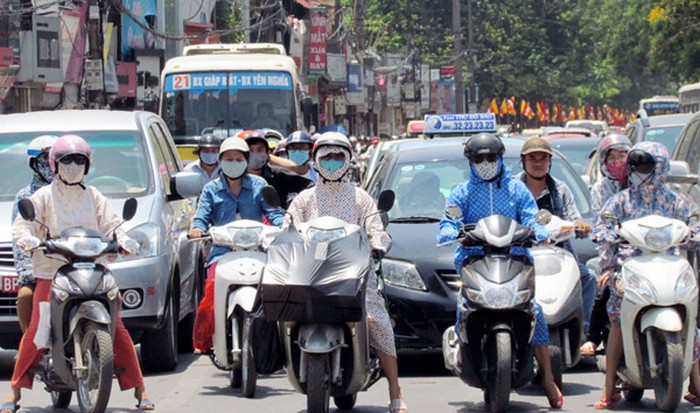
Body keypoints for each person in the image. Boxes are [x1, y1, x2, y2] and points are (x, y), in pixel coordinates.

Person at [6, 134, 154, 413]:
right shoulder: (42, 196)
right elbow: (22, 226)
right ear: (54, 164)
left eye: (79, 160)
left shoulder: (94, 195)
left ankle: (140, 388)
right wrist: (28, 240)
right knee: (38, 329)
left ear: (87, 165)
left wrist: (124, 240)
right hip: (51, 273)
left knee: (118, 327)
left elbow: (113, 225)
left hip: (92, 268)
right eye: (66, 160)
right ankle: (14, 392)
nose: (73, 166)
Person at [437, 133, 563, 409]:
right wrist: (456, 232)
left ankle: (548, 378)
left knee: (535, 311)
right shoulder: (462, 192)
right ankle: (462, 351)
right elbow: (447, 222)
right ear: (470, 161)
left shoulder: (517, 190)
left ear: (500, 159)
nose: (485, 163)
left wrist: (538, 231)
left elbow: (532, 217)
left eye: (490, 158)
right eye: (479, 158)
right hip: (474, 259)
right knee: (464, 305)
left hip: (515, 258)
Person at [284, 132, 408, 413]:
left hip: (356, 275)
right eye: (326, 156)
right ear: (316, 161)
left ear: (349, 160)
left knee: (377, 320)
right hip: (310, 274)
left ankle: (395, 392)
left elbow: (376, 229)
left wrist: (378, 244)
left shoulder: (361, 199)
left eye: (338, 156)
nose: (331, 162)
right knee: (284, 316)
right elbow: (287, 227)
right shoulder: (304, 200)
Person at [593, 141, 700, 409]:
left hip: (669, 267)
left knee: (691, 319)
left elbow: (695, 223)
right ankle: (608, 390)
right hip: (630, 268)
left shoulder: (677, 201)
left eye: (645, 165)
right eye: (635, 165)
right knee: (617, 317)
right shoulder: (621, 200)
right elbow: (603, 225)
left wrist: (693, 233)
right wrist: (608, 234)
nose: (639, 171)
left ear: (661, 167)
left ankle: (697, 384)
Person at [188, 137, 284, 353]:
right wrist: (196, 228)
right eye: (228, 159)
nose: (233, 163)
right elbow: (201, 217)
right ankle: (203, 341)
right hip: (223, 253)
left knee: (275, 288)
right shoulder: (211, 189)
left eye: (238, 159)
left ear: (246, 161)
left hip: (256, 250)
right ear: (221, 162)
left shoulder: (260, 185)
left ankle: (277, 344)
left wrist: (284, 225)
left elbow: (274, 213)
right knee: (212, 289)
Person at [516, 137, 596, 334]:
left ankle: (582, 332)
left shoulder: (561, 189)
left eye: (543, 158)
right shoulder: (513, 189)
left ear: (549, 162)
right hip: (522, 257)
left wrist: (579, 226)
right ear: (523, 161)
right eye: (532, 158)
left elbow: (574, 219)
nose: (537, 163)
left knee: (589, 277)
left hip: (558, 256)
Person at [580, 133, 632, 356]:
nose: (618, 163)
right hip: (615, 252)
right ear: (603, 162)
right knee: (605, 286)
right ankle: (593, 337)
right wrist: (609, 263)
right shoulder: (601, 189)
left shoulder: (642, 184)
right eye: (613, 158)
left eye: (623, 156)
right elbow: (602, 227)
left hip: (644, 250)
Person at [11, 135, 57, 334]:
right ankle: (30, 346)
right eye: (47, 159)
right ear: (35, 163)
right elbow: (19, 238)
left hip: (72, 263)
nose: (54, 165)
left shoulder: (73, 191)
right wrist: (28, 272)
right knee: (26, 296)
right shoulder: (25, 197)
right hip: (40, 267)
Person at [243, 130, 313, 209]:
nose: (255, 154)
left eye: (260, 150)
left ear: (267, 153)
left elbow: (309, 186)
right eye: (250, 150)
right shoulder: (236, 177)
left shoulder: (277, 176)